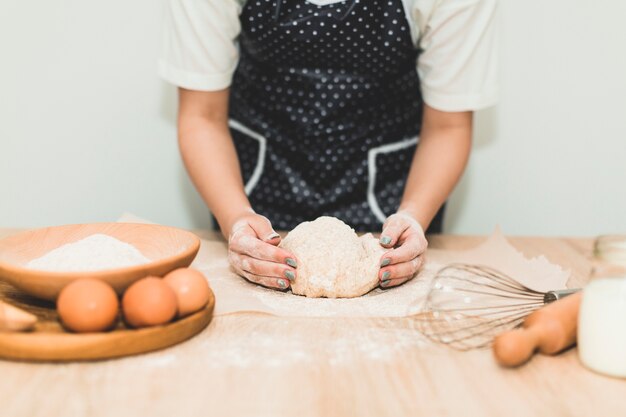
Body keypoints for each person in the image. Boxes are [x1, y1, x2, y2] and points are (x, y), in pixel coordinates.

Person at [159, 0, 498, 291]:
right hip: (257, 191)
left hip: (390, 197)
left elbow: (448, 127)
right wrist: (236, 217)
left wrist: (413, 215)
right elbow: (202, 116)